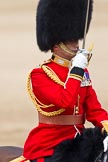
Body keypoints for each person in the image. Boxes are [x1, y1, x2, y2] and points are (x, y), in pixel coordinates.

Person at [10, 0, 108, 162]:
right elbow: (65, 101)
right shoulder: (40, 74)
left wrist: (106, 124)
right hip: (50, 144)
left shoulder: (81, 72)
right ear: (56, 45)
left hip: (78, 141)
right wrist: (76, 70)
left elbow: (94, 109)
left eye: (76, 40)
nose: (76, 45)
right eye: (71, 41)